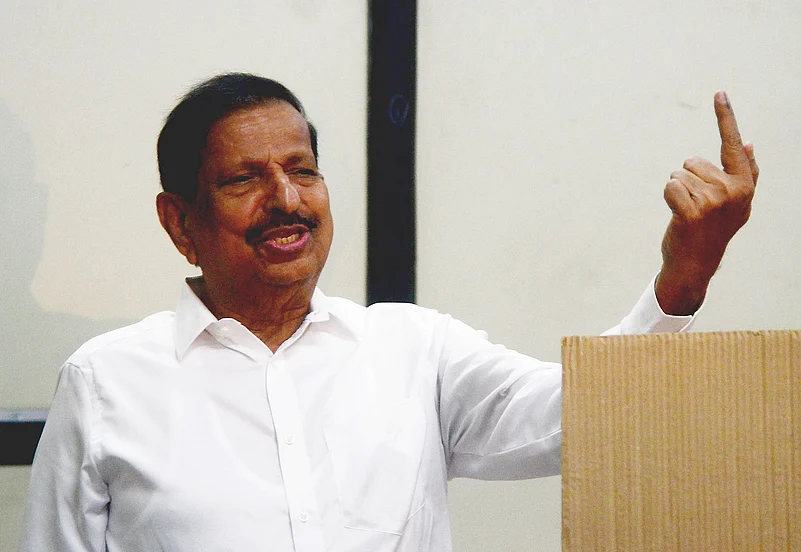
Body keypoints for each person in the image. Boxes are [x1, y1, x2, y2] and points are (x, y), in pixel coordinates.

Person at [18, 73, 757, 552]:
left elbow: (586, 417)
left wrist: (683, 274)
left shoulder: (412, 351)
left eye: (302, 169)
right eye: (245, 178)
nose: (286, 199)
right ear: (180, 224)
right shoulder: (107, 383)